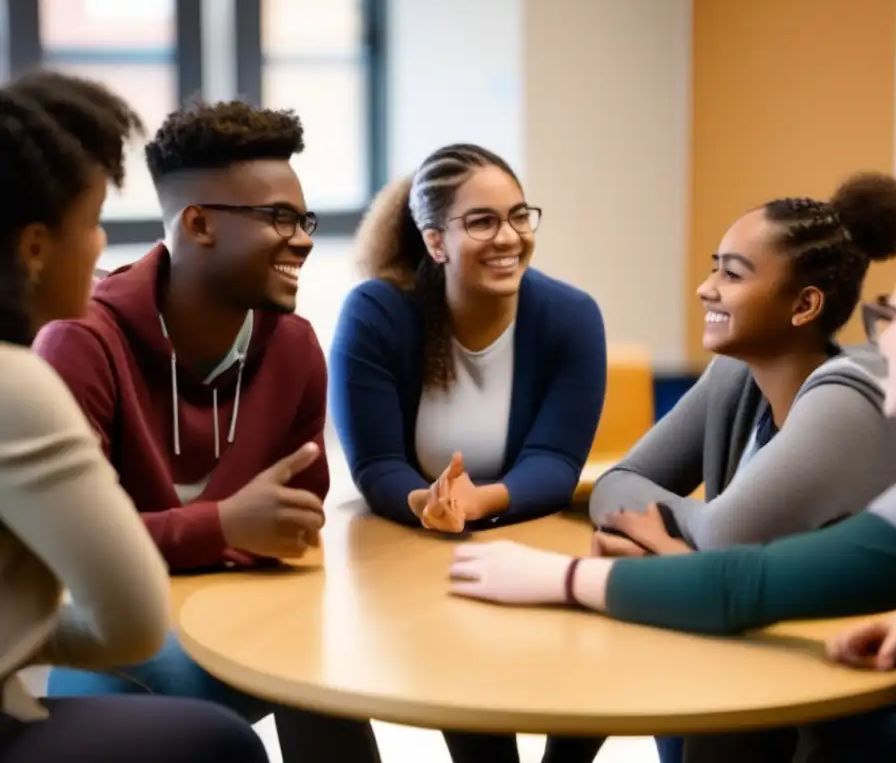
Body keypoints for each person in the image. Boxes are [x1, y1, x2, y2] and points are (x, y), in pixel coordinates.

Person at [448, 224, 896, 763]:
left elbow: (744, 586)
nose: (879, 340)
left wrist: (556, 578)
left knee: (801, 714)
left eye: (895, 317)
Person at [33, 100, 380, 763]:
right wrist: (222, 528)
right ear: (198, 224)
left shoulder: (297, 349)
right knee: (287, 685)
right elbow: (71, 554)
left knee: (329, 677)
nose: (303, 239)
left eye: (303, 219)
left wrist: (219, 535)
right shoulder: (81, 343)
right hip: (115, 635)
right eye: (279, 218)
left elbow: (290, 532)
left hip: (245, 621)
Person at [587, 173, 896, 761]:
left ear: (805, 305)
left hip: (846, 696)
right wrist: (686, 548)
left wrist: (671, 539)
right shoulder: (737, 373)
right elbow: (615, 484)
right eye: (715, 267)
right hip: (755, 649)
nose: (704, 288)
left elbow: (724, 534)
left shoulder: (850, 398)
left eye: (732, 274)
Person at [0, 70, 269, 762]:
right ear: (34, 248)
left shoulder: (287, 340)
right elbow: (133, 622)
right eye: (91, 222)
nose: (101, 247)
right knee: (221, 744)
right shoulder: (19, 385)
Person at [330, 143, 607, 761]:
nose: (508, 237)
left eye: (519, 215)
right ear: (434, 242)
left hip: (531, 538)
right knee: (475, 714)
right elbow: (376, 464)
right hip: (415, 552)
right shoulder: (378, 312)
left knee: (597, 661)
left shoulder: (570, 316)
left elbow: (556, 463)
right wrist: (425, 502)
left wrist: (479, 501)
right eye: (482, 221)